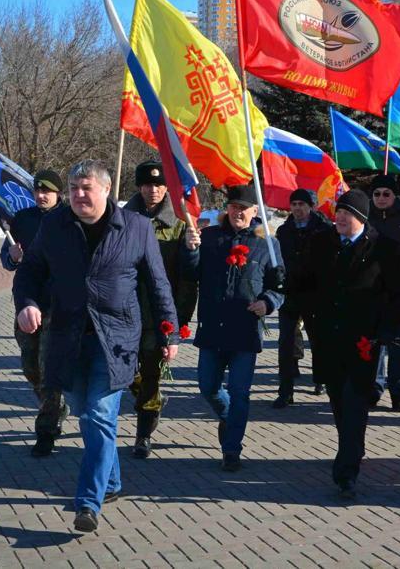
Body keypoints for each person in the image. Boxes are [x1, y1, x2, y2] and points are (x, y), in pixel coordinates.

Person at [14, 160, 177, 533]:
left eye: (86, 187)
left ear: (106, 191)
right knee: (87, 413)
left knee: (99, 415)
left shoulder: (135, 228)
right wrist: (27, 303)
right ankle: (113, 481)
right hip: (67, 338)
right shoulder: (55, 226)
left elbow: (157, 284)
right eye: (73, 188)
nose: (78, 194)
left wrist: (170, 333)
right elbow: (31, 270)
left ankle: (88, 502)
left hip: (115, 340)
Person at [299, 189, 400, 498]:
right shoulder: (321, 243)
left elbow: (399, 294)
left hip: (364, 341)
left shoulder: (384, 249)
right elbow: (305, 284)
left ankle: (347, 468)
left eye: (348, 214)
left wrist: (386, 331)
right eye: (339, 212)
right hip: (327, 339)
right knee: (338, 402)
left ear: (361, 218)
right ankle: (350, 446)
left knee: (354, 401)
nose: (341, 218)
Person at [184, 185, 284, 472]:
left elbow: (279, 285)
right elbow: (190, 273)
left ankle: (231, 449)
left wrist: (268, 302)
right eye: (233, 206)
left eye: (244, 207)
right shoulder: (210, 237)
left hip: (244, 330)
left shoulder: (266, 242)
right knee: (207, 386)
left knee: (240, 392)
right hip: (213, 327)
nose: (238, 212)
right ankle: (227, 416)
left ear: (255, 211)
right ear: (226, 208)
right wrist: (191, 250)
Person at [122, 160, 199, 458]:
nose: (152, 190)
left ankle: (143, 435)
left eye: (158, 185)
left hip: (158, 317)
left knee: (152, 374)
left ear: (167, 187)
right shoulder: (121, 219)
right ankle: (150, 402)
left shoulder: (179, 225)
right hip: (125, 312)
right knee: (125, 372)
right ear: (139, 187)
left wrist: (178, 323)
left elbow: (187, 280)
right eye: (146, 185)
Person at [0, 168, 68, 457]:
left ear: (58, 194)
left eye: (48, 191)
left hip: (57, 306)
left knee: (49, 370)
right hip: (27, 304)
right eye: (38, 190)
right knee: (30, 367)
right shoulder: (23, 219)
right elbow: (7, 258)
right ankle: (57, 408)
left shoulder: (70, 218)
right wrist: (11, 257)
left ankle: (46, 432)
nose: (42, 195)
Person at [273, 188, 331, 407]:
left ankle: (321, 379)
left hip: (315, 294)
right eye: (294, 204)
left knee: (318, 340)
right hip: (289, 293)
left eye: (301, 204)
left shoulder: (323, 229)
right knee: (286, 342)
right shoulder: (283, 230)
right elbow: (276, 257)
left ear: (311, 206)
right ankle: (285, 391)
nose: (297, 208)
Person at [367, 173, 400, 411]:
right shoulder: (365, 217)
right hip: (371, 290)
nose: (381, 198)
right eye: (376, 194)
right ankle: (373, 389)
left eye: (386, 193)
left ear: (394, 195)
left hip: (399, 290)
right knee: (374, 343)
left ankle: (399, 390)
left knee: (399, 345)